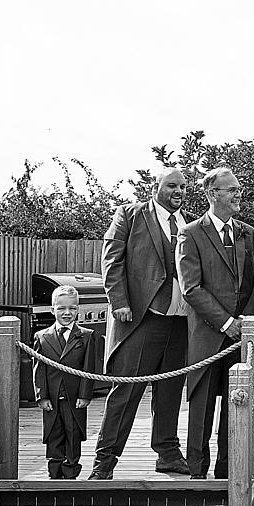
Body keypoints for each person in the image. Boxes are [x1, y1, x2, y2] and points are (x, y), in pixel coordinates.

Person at [89, 167, 194, 479]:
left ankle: (168, 454)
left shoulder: (189, 223)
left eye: (183, 187)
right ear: (155, 187)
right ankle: (104, 462)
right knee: (126, 393)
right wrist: (119, 302)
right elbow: (111, 261)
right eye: (172, 185)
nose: (178, 191)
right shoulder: (130, 215)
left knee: (171, 391)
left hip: (181, 321)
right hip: (140, 319)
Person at [177, 167, 254, 479]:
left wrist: (245, 321)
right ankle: (197, 473)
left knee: (237, 403)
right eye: (232, 190)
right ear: (213, 194)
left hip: (241, 337)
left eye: (239, 189)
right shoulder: (190, 233)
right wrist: (226, 322)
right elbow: (191, 288)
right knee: (201, 407)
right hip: (207, 335)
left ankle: (229, 471)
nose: (239, 194)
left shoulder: (247, 232)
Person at [33, 285, 97, 479]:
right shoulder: (42, 337)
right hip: (52, 397)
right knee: (53, 433)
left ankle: (71, 471)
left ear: (78, 310)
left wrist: (85, 395)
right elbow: (39, 370)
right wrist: (42, 396)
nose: (67, 313)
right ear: (52, 310)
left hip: (74, 397)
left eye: (72, 308)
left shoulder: (86, 336)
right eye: (61, 308)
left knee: (73, 433)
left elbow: (88, 369)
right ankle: (54, 471)